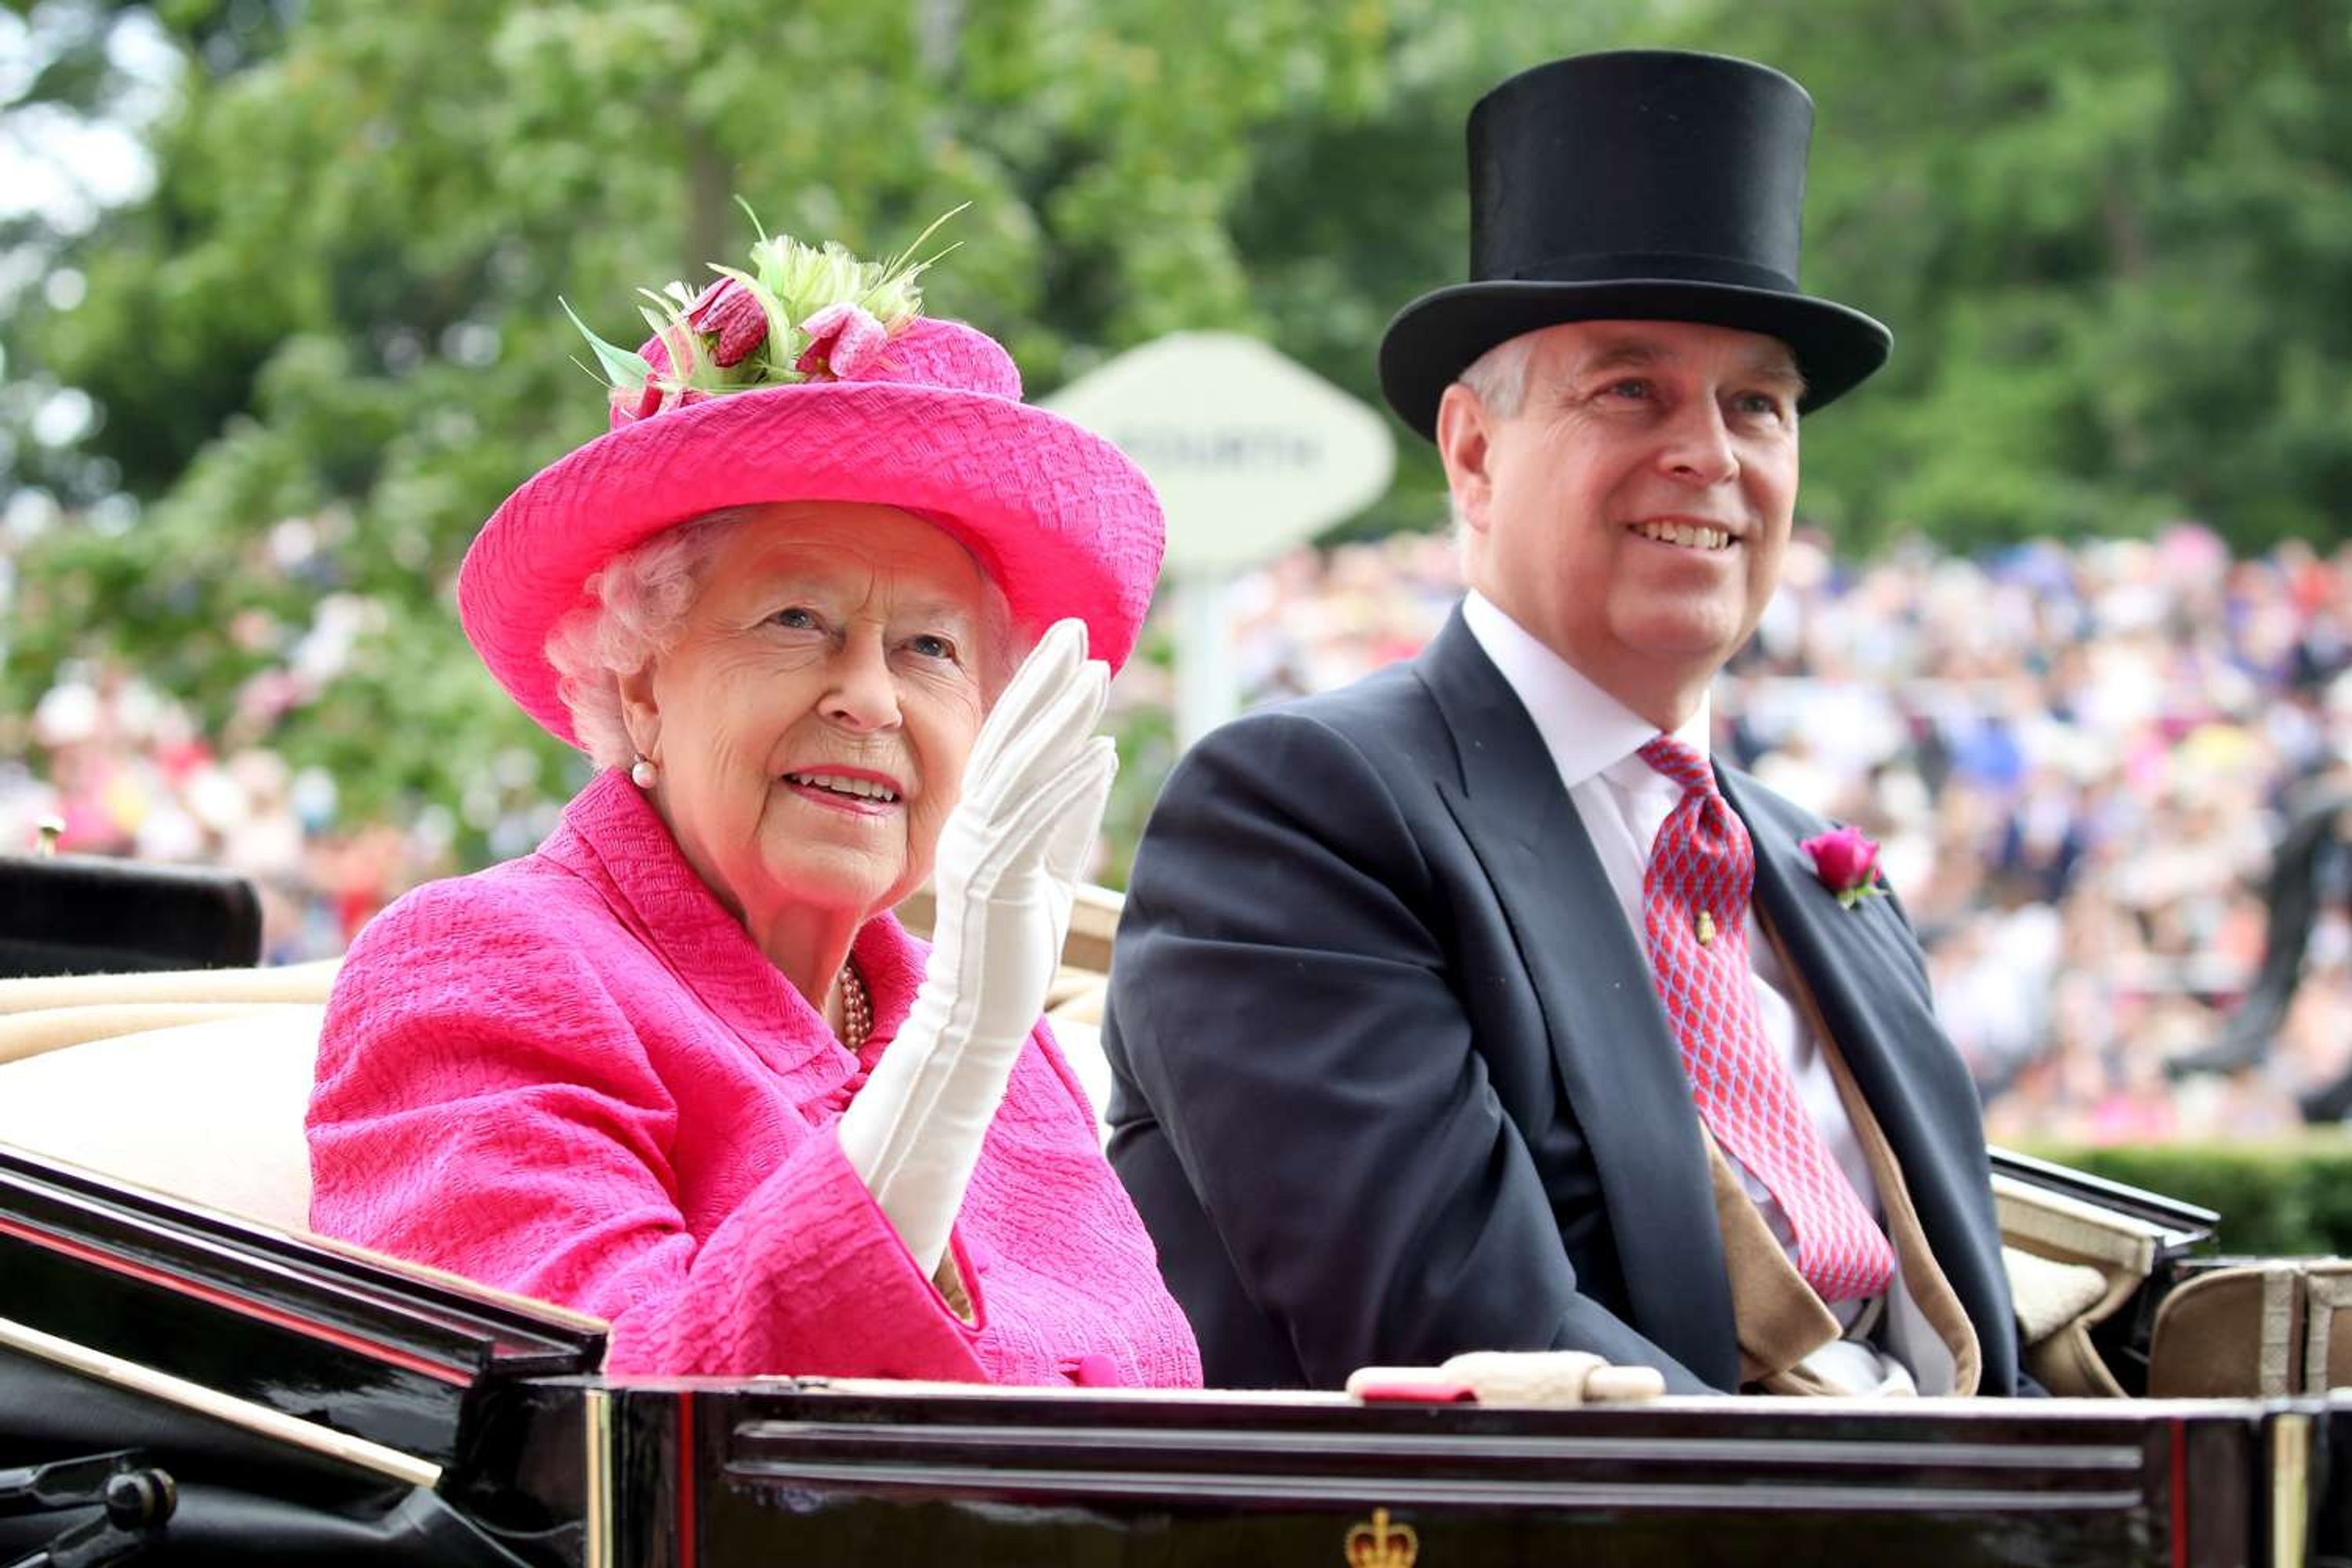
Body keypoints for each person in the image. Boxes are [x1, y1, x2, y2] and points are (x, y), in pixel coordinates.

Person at [1102, 50, 2028, 1396]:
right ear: (1473, 453)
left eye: (1755, 404)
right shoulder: (1305, 817)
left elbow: (1978, 1360)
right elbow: (1465, 1337)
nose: (1708, 453)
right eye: (1630, 391)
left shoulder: (1829, 877)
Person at [308, 221, 1201, 1388]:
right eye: (798, 621)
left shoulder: (977, 1014)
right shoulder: (475, 968)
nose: (871, 698)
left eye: (930, 648)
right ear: (640, 676)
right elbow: (613, 1438)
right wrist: (948, 1057)